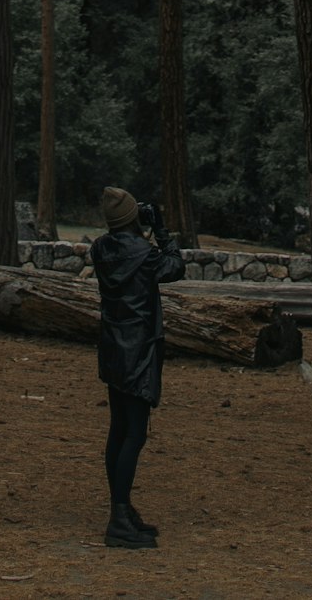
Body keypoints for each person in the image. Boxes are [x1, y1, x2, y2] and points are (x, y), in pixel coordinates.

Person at [91, 185, 184, 550]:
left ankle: (122, 508)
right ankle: (118, 518)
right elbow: (175, 267)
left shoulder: (100, 249)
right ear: (133, 218)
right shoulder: (144, 255)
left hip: (114, 348)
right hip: (140, 350)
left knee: (118, 430)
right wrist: (161, 229)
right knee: (135, 434)